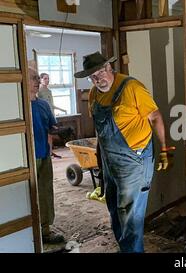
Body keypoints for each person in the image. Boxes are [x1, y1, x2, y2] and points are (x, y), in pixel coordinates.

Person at [74, 52, 174, 253]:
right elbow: (100, 129)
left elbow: (155, 117)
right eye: (92, 76)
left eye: (100, 73)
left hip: (134, 160)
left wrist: (164, 149)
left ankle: (132, 251)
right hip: (109, 160)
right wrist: (99, 157)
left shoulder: (132, 88)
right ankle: (126, 248)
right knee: (114, 208)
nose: (97, 79)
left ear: (109, 68)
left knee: (130, 213)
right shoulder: (94, 93)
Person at [28, 68, 65, 244]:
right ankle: (29, 231)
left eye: (37, 78)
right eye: (33, 78)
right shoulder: (19, 106)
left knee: (45, 193)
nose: (37, 81)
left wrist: (61, 133)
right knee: (29, 195)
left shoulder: (43, 104)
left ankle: (45, 230)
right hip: (27, 159)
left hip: (43, 155)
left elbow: (51, 128)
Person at [38, 73, 67, 159]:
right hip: (43, 115)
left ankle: (50, 152)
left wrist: (61, 110)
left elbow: (51, 105)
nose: (47, 80)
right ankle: (45, 153)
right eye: (45, 79)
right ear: (41, 80)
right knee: (44, 135)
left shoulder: (49, 91)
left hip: (50, 115)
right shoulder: (39, 91)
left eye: (48, 78)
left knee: (50, 135)